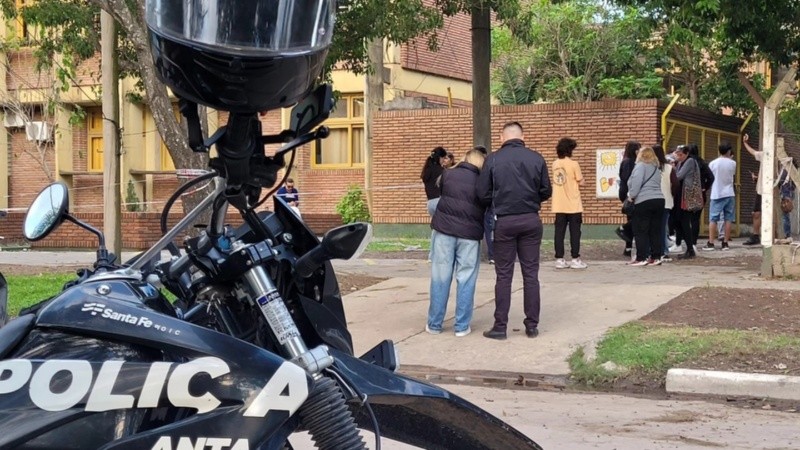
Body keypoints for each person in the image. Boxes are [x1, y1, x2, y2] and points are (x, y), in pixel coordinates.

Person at [477, 121, 552, 340]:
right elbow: (546, 190)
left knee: (504, 275)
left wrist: (497, 201)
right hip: (530, 219)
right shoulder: (537, 158)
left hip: (505, 221)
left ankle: (500, 326)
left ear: (502, 137)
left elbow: (482, 193)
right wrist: (531, 199)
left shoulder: (493, 159)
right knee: (531, 274)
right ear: (522, 136)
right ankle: (532, 326)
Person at [426, 149, 487, 337]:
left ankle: (434, 324)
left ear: (465, 158)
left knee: (440, 278)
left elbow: (442, 196)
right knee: (466, 278)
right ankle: (461, 326)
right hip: (469, 235)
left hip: (444, 231)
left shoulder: (448, 174)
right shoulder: (483, 182)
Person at [551, 137, 587, 269]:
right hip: (573, 204)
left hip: (559, 203)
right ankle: (575, 258)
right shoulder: (574, 164)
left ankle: (559, 259)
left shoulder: (555, 164)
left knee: (559, 232)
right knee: (575, 232)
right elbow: (581, 181)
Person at [626, 147, 664, 266]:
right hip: (659, 200)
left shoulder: (640, 166)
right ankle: (656, 257)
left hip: (643, 200)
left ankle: (641, 257)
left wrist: (631, 195)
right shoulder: (656, 168)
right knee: (655, 230)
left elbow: (637, 182)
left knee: (640, 230)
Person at [703, 142, 736, 251]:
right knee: (728, 218)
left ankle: (711, 242)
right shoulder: (733, 163)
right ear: (728, 151)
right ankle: (725, 243)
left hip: (717, 193)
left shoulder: (713, 163)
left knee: (713, 218)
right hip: (729, 193)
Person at [674, 145, 702, 259]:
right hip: (682, 195)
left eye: (680, 155)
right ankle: (689, 248)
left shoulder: (690, 161)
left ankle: (690, 249)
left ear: (686, 154)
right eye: (678, 155)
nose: (679, 157)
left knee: (685, 221)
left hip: (687, 195)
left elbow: (679, 176)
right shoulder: (681, 163)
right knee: (680, 221)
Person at [421, 146, 448, 261]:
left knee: (435, 229)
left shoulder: (427, 171)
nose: (444, 160)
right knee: (444, 230)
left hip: (430, 203)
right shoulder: (441, 171)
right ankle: (439, 254)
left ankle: (432, 255)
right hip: (439, 201)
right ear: (440, 158)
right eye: (443, 158)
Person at [616, 141, 641, 258]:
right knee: (635, 218)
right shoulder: (629, 162)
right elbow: (628, 178)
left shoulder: (628, 161)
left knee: (633, 217)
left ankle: (628, 246)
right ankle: (624, 231)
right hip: (629, 193)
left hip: (627, 192)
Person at [653, 144, 676, 262]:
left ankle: (655, 251)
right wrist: (671, 194)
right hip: (666, 200)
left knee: (654, 228)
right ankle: (664, 251)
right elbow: (675, 184)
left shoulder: (650, 167)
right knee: (663, 228)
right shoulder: (669, 168)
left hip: (652, 201)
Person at [474, 145, 496, 264]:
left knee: (488, 228)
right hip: (488, 203)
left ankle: (490, 254)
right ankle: (492, 255)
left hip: (480, 203)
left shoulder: (474, 168)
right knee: (490, 228)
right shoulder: (490, 166)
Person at [742, 134, 762, 245]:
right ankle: (755, 236)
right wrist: (758, 178)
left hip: (772, 188)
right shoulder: (765, 155)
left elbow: (753, 152)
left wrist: (745, 143)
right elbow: (754, 153)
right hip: (761, 188)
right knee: (756, 212)